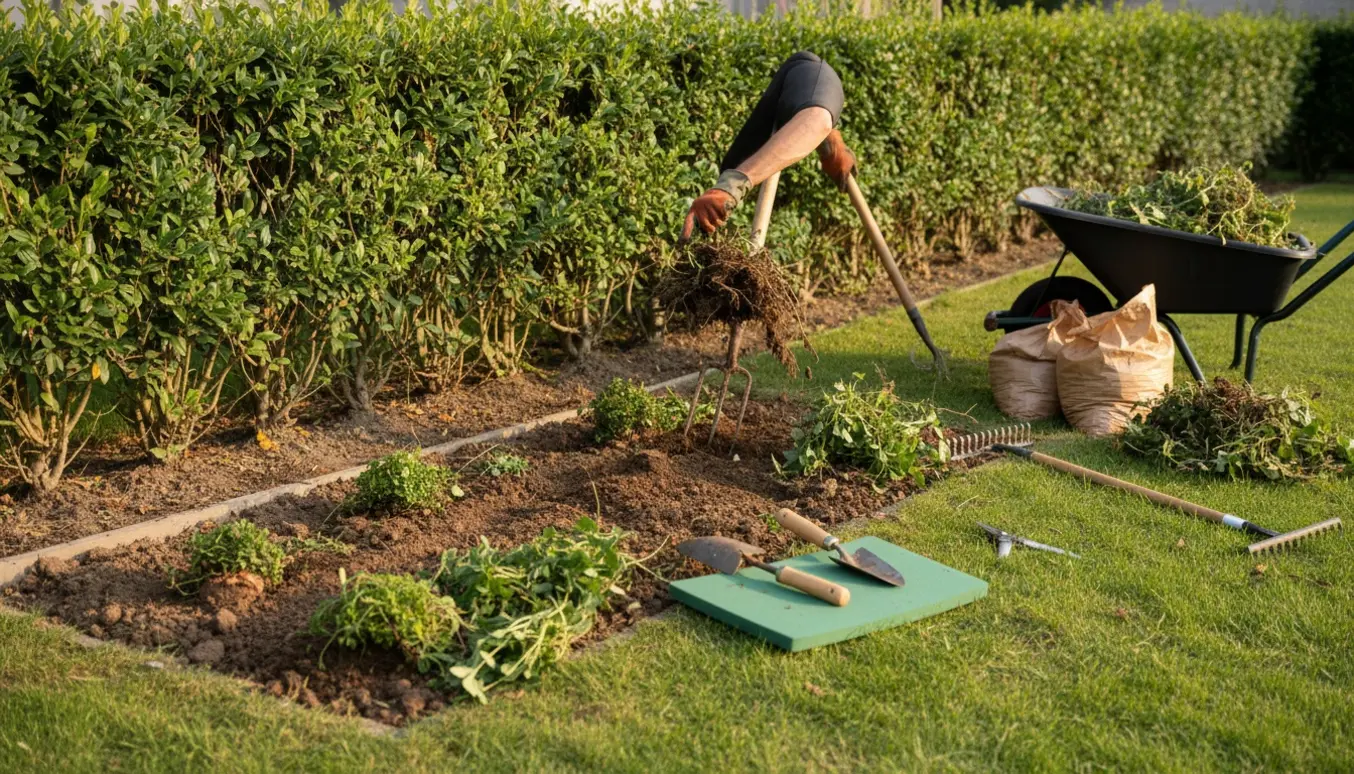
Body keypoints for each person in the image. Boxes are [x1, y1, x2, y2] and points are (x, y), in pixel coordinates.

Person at [682, 51, 855, 241]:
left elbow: (818, 120)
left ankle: (829, 139)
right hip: (799, 93)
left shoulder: (814, 94)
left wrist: (732, 186)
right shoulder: (740, 156)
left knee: (814, 121)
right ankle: (829, 141)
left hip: (808, 73)